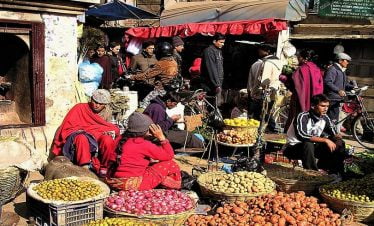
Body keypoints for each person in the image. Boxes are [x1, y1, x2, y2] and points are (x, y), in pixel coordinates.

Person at [106, 112, 181, 190]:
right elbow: (169, 156)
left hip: (116, 182)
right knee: (170, 164)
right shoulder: (143, 144)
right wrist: (162, 138)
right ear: (147, 131)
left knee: (150, 163)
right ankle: (171, 189)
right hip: (136, 185)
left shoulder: (120, 140)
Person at [51, 89, 120, 174]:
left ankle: (104, 167)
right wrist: (91, 131)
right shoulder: (79, 108)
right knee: (81, 138)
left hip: (97, 138)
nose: (97, 105)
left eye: (101, 104)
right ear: (91, 99)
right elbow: (68, 127)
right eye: (95, 102)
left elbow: (111, 128)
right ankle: (84, 167)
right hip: (81, 136)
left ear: (105, 105)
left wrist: (107, 132)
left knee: (107, 140)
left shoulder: (107, 113)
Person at [284, 94, 347, 174]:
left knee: (339, 143)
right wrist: (325, 140)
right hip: (294, 148)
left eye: (327, 106)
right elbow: (302, 135)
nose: (326, 109)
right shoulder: (302, 116)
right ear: (313, 106)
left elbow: (333, 133)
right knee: (308, 143)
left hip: (313, 148)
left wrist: (337, 139)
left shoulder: (325, 117)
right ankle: (312, 172)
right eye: (322, 106)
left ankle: (334, 171)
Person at [129, 42, 178, 109]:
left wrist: (131, 77)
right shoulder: (173, 62)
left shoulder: (161, 64)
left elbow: (146, 75)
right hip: (169, 90)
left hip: (160, 90)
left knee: (143, 106)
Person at [285, 49, 324, 131]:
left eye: (299, 57)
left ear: (304, 58)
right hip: (314, 98)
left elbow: (295, 85)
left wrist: (286, 78)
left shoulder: (301, 69)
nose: (298, 59)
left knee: (297, 118)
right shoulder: (316, 68)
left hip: (300, 98)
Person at [247, 43, 283, 131]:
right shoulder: (280, 62)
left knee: (259, 115)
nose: (258, 51)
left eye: (261, 49)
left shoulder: (265, 63)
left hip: (263, 93)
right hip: (274, 92)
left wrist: (252, 92)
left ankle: (271, 129)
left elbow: (263, 81)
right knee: (266, 113)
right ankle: (270, 129)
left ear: (268, 51)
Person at [324, 52, 355, 124]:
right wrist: (338, 90)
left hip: (337, 98)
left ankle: (333, 132)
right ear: (340, 60)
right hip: (332, 97)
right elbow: (327, 82)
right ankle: (329, 133)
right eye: (346, 61)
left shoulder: (341, 70)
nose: (348, 63)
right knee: (332, 117)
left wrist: (353, 87)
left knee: (335, 117)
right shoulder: (332, 69)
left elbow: (344, 84)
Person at [200, 33, 225, 105]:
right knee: (211, 105)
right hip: (210, 85)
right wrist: (217, 84)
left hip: (217, 83)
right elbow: (211, 68)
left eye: (223, 42)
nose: (223, 44)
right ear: (214, 41)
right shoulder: (209, 51)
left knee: (217, 105)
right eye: (221, 42)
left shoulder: (218, 51)